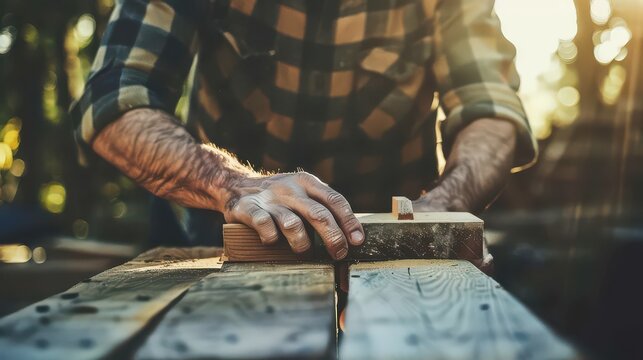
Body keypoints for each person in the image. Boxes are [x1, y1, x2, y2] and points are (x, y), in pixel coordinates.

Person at [71, 0, 537, 260]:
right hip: (215, 229)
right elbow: (113, 102)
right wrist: (233, 186)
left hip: (391, 251)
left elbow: (491, 109)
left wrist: (444, 205)